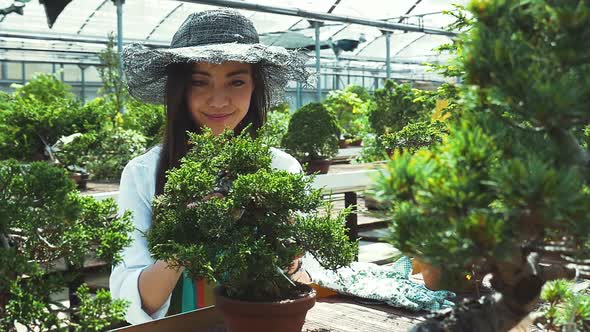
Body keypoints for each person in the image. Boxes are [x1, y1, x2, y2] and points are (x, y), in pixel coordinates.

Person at [109, 9, 311, 325]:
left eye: (236, 81)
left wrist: (289, 251)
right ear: (180, 90)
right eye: (200, 82)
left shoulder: (281, 169)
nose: (218, 101)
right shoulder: (143, 174)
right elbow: (132, 301)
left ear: (254, 87)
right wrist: (190, 234)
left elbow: (304, 286)